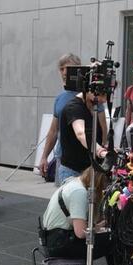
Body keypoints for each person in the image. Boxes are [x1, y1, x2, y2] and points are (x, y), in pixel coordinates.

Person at [41, 166, 115, 265]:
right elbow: (81, 233)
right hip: (59, 244)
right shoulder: (79, 192)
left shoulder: (74, 182)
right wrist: (101, 228)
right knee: (113, 239)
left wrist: (100, 225)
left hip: (52, 238)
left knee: (106, 236)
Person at [57, 77, 109, 187]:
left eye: (106, 95)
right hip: (73, 171)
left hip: (90, 169)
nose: (104, 99)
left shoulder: (94, 107)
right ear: (88, 89)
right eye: (101, 95)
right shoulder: (74, 107)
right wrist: (99, 150)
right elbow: (81, 133)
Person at [38, 53, 82, 181]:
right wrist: (44, 157)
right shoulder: (60, 98)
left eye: (68, 69)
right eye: (61, 69)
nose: (64, 72)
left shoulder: (89, 96)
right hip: (63, 159)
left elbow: (102, 127)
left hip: (85, 160)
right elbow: (53, 131)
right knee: (62, 198)